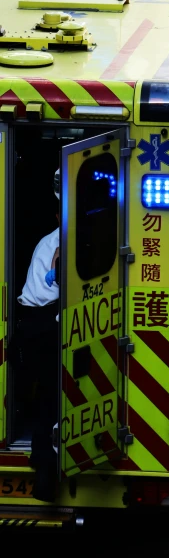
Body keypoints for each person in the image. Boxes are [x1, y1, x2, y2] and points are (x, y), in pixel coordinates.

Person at [14, 171, 61, 502]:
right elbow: (52, 286)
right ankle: (46, 469)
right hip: (43, 326)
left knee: (48, 397)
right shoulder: (55, 244)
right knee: (50, 398)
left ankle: (46, 458)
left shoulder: (55, 242)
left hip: (40, 325)